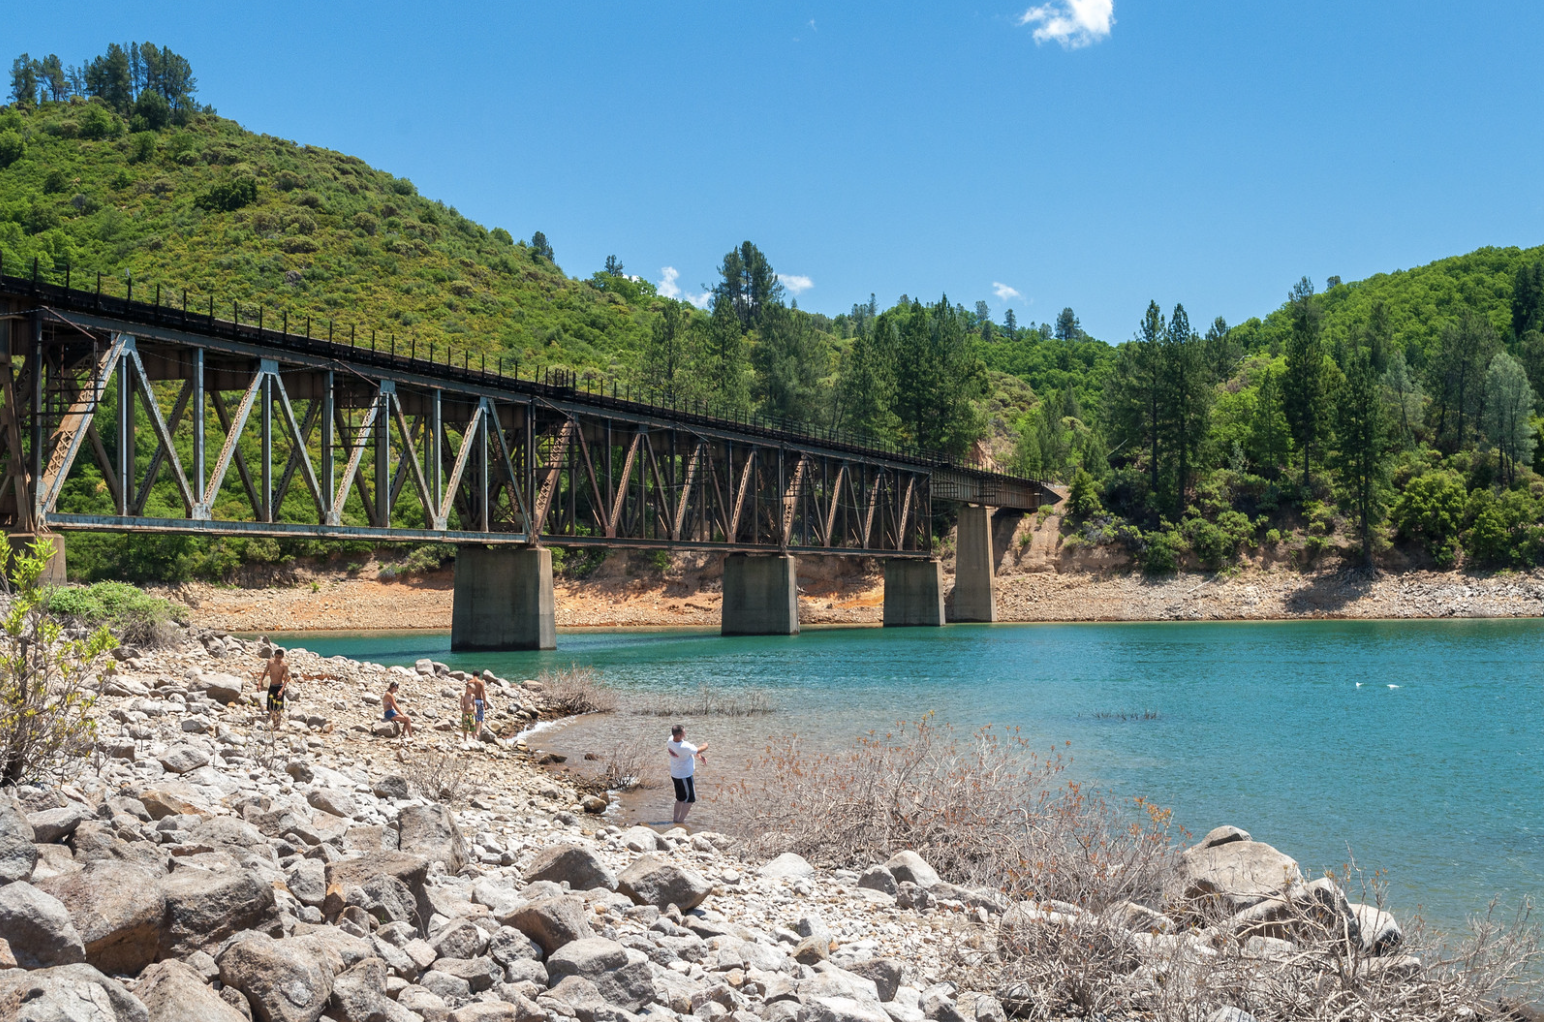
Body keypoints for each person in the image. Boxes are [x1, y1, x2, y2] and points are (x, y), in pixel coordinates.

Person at [667, 724, 707, 825]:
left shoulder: (670, 740)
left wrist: (699, 757)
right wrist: (706, 745)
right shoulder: (684, 746)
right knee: (690, 799)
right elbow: (697, 749)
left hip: (675, 774)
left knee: (680, 798)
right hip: (684, 776)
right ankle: (680, 822)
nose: (686, 733)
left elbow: (691, 752)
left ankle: (675, 819)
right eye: (684, 732)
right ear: (679, 735)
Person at [256, 648, 291, 728]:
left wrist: (281, 691)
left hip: (279, 687)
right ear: (274, 656)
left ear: (282, 657)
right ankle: (274, 724)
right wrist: (259, 684)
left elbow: (286, 680)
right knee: (270, 708)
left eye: (280, 657)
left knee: (278, 709)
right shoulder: (270, 662)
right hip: (272, 686)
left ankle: (277, 727)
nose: (278, 659)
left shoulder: (284, 666)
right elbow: (264, 673)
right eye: (276, 657)